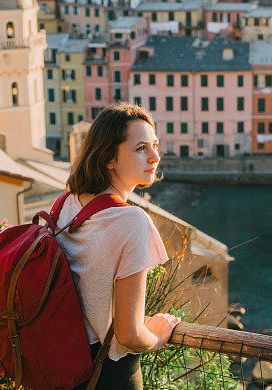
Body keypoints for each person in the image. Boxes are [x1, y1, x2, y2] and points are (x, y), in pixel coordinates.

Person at [59, 103, 180, 390]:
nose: (155, 157)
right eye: (141, 148)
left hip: (61, 361)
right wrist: (159, 337)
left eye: (155, 145)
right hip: (109, 373)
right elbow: (129, 335)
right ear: (109, 158)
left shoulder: (66, 202)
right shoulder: (131, 220)